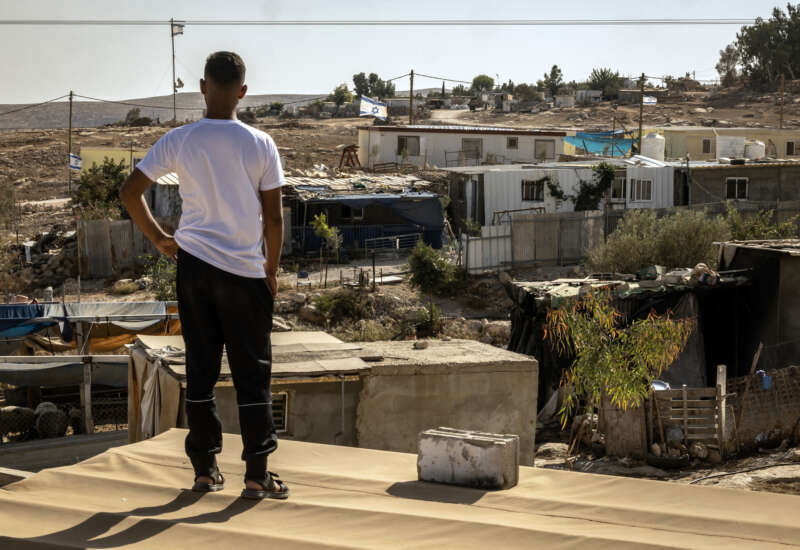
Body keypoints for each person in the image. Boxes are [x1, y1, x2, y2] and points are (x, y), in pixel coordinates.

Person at [120, 51, 288, 500]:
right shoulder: (260, 143)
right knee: (253, 374)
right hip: (245, 273)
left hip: (193, 268)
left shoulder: (180, 140)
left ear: (202, 87)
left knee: (200, 371)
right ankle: (256, 475)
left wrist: (159, 239)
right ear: (243, 92)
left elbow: (130, 191)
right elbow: (273, 219)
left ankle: (204, 470)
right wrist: (270, 270)